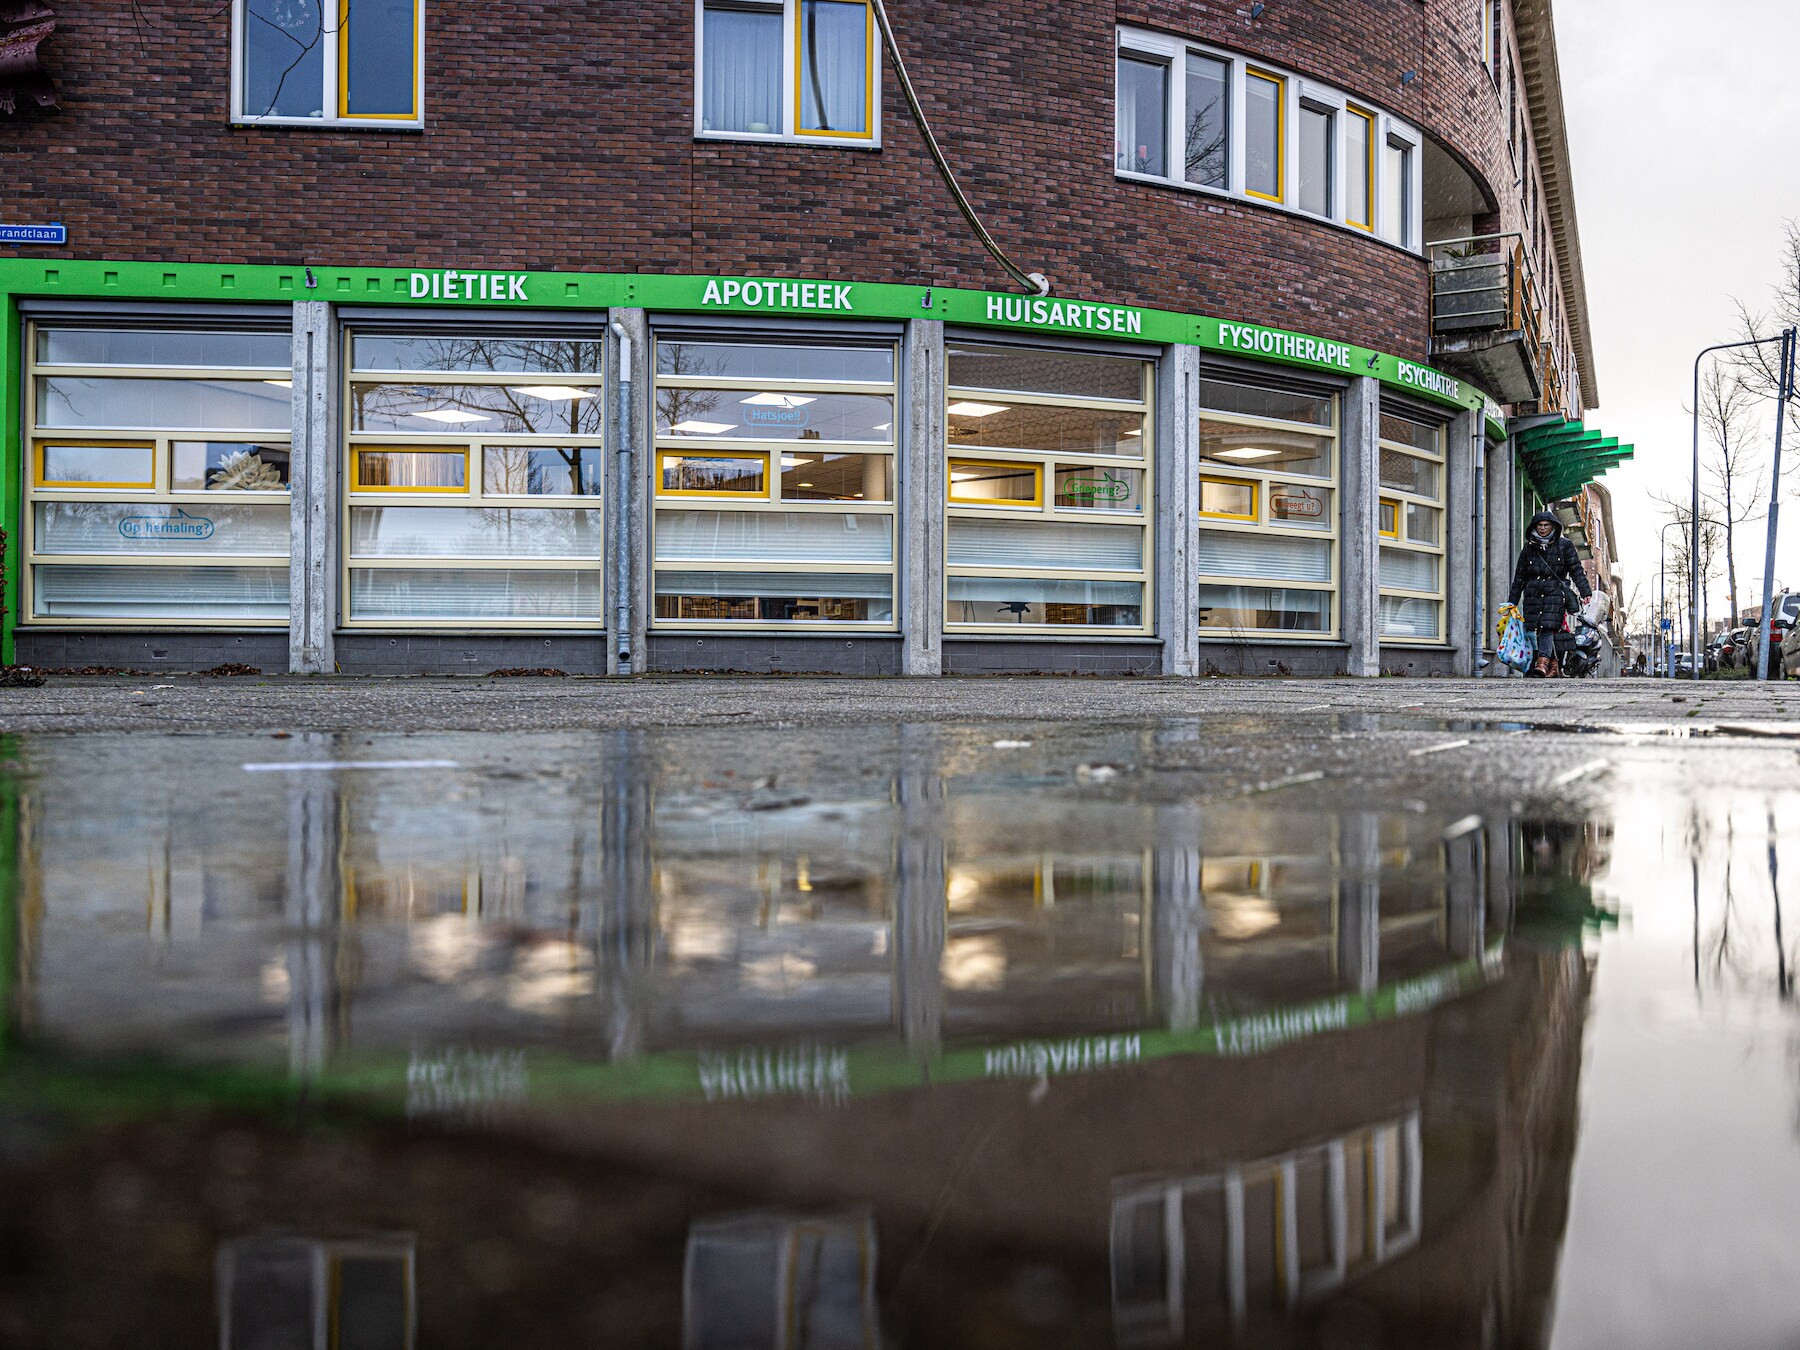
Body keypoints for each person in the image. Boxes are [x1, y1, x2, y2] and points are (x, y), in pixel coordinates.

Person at [1508, 509, 1591, 678]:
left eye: (1546, 525)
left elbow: (1576, 569)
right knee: (1534, 628)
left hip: (1554, 592)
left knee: (1547, 627)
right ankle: (1553, 665)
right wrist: (1512, 602)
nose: (1543, 528)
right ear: (1534, 526)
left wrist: (1585, 591)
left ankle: (1542, 662)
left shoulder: (1565, 545)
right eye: (1540, 525)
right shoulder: (1529, 548)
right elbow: (1519, 576)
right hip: (1532, 592)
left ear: (1553, 526)